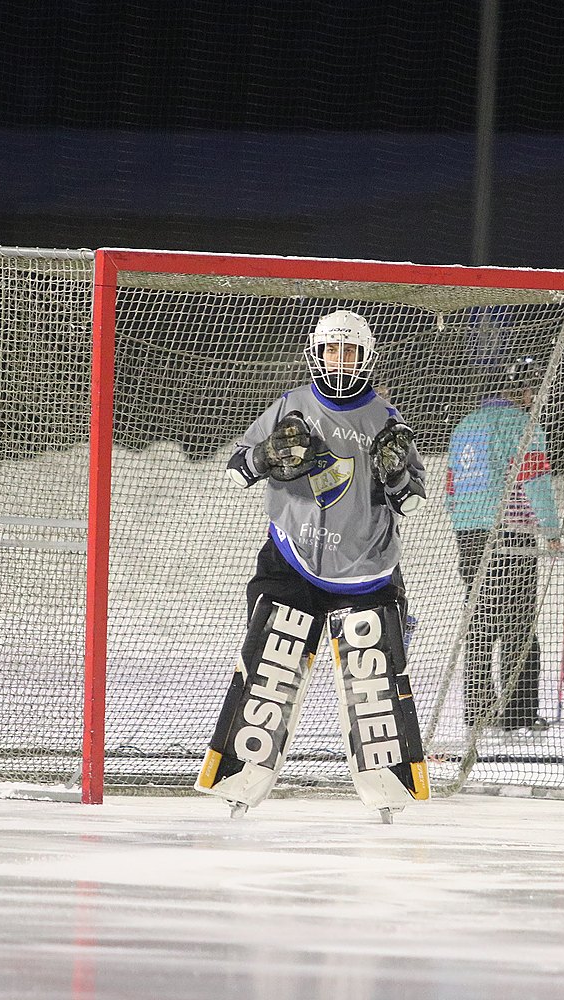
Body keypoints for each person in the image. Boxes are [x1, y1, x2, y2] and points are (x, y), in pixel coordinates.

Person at [205, 309, 427, 811]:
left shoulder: (387, 420)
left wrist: (396, 477)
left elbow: (411, 501)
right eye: (331, 349)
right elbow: (237, 468)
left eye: (350, 351)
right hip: (293, 560)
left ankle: (387, 791)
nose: (340, 360)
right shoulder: (292, 404)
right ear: (316, 351)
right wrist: (264, 456)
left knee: (375, 687)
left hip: (367, 569)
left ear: (367, 357)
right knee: (270, 670)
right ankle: (240, 784)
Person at [445, 356, 560, 732]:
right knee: (519, 624)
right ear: (522, 392)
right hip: (511, 535)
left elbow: (451, 487)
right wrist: (551, 527)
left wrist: (466, 524)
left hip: (471, 534)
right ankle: (518, 712)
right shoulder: (522, 424)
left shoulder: (464, 426)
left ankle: (478, 709)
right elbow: (535, 478)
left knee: (480, 621)